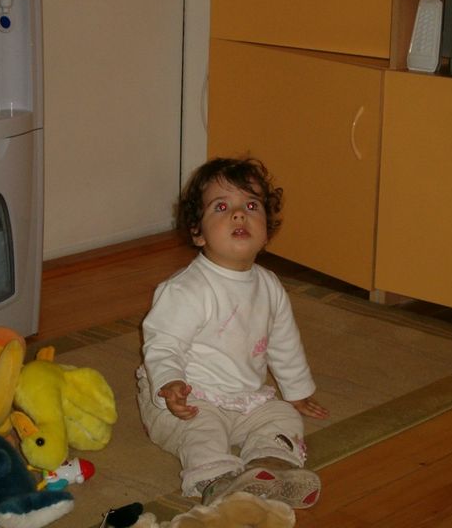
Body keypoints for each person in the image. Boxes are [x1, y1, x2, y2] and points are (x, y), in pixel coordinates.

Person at [137, 157, 329, 508]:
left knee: (283, 416)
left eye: (251, 206)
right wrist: (170, 382)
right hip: (186, 400)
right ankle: (216, 479)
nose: (239, 215)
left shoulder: (269, 285)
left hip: (245, 398)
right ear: (198, 232)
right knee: (204, 431)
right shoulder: (187, 289)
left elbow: (284, 342)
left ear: (267, 230)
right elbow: (163, 344)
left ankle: (269, 465)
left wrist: (297, 391)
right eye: (222, 207)